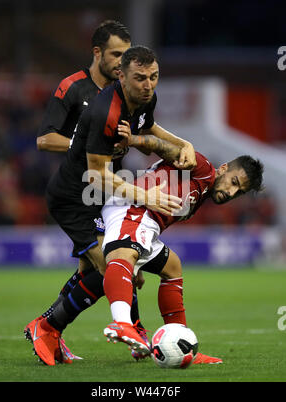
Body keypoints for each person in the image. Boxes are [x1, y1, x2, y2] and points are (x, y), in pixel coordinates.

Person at [24, 46, 206, 366]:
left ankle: (71, 327)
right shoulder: (105, 111)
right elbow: (95, 175)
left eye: (153, 77)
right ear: (121, 75)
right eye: (140, 78)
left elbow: (150, 130)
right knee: (111, 269)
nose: (148, 84)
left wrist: (184, 144)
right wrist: (144, 195)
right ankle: (48, 327)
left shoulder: (145, 98)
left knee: (110, 272)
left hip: (99, 197)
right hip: (75, 199)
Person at [101, 132, 264, 360]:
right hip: (134, 208)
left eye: (240, 192)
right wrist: (134, 140)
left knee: (172, 268)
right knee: (121, 257)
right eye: (234, 183)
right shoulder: (203, 168)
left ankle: (183, 343)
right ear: (225, 168)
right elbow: (160, 145)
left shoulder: (202, 190)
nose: (231, 193)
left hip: (145, 222)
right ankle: (121, 324)